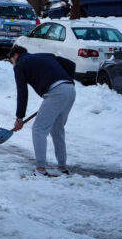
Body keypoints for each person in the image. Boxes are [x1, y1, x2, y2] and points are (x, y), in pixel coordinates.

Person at [8, 45, 77, 176]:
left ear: (15, 56)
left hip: (56, 92)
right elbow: (71, 64)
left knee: (38, 130)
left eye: (12, 62)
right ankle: (62, 167)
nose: (13, 65)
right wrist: (67, 82)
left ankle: (40, 169)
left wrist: (19, 118)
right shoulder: (46, 55)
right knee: (57, 129)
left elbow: (22, 92)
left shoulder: (20, 65)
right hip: (70, 90)